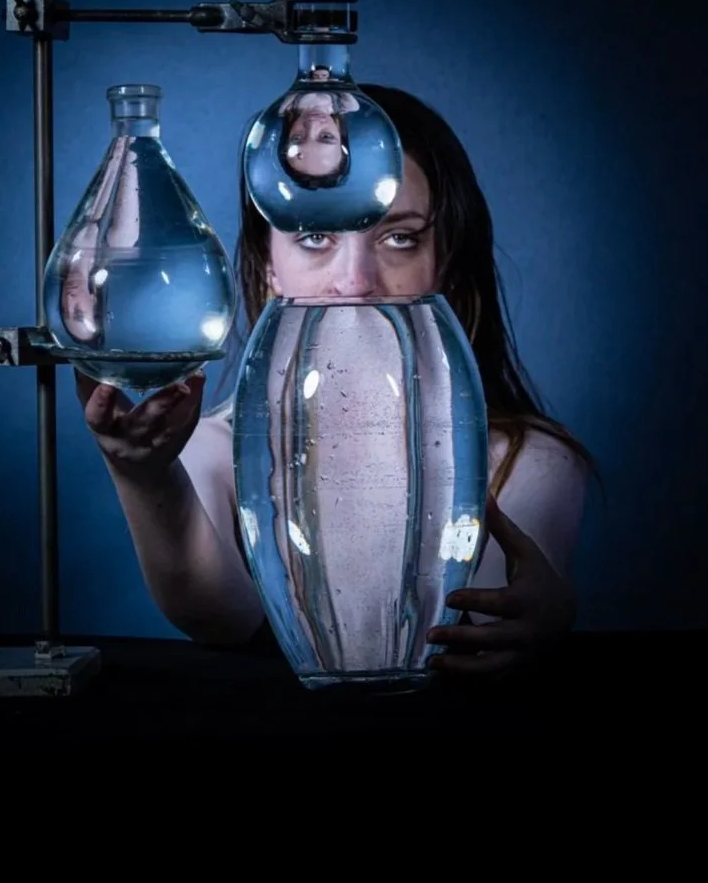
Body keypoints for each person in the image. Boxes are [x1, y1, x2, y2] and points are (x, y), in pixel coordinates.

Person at [75, 83, 599, 680]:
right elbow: (223, 618)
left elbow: (458, 633)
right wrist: (142, 475)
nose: (356, 282)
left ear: (445, 258)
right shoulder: (212, 454)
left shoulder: (531, 462)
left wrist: (551, 614)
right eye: (315, 236)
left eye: (399, 237)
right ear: (267, 262)